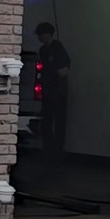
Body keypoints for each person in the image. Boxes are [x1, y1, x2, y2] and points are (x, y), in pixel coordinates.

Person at [35, 21, 70, 157]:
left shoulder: (57, 48)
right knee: (47, 120)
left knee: (59, 120)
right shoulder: (43, 50)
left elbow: (64, 69)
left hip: (58, 91)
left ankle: (58, 149)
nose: (39, 37)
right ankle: (48, 148)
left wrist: (57, 72)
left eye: (41, 34)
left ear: (48, 34)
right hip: (47, 90)